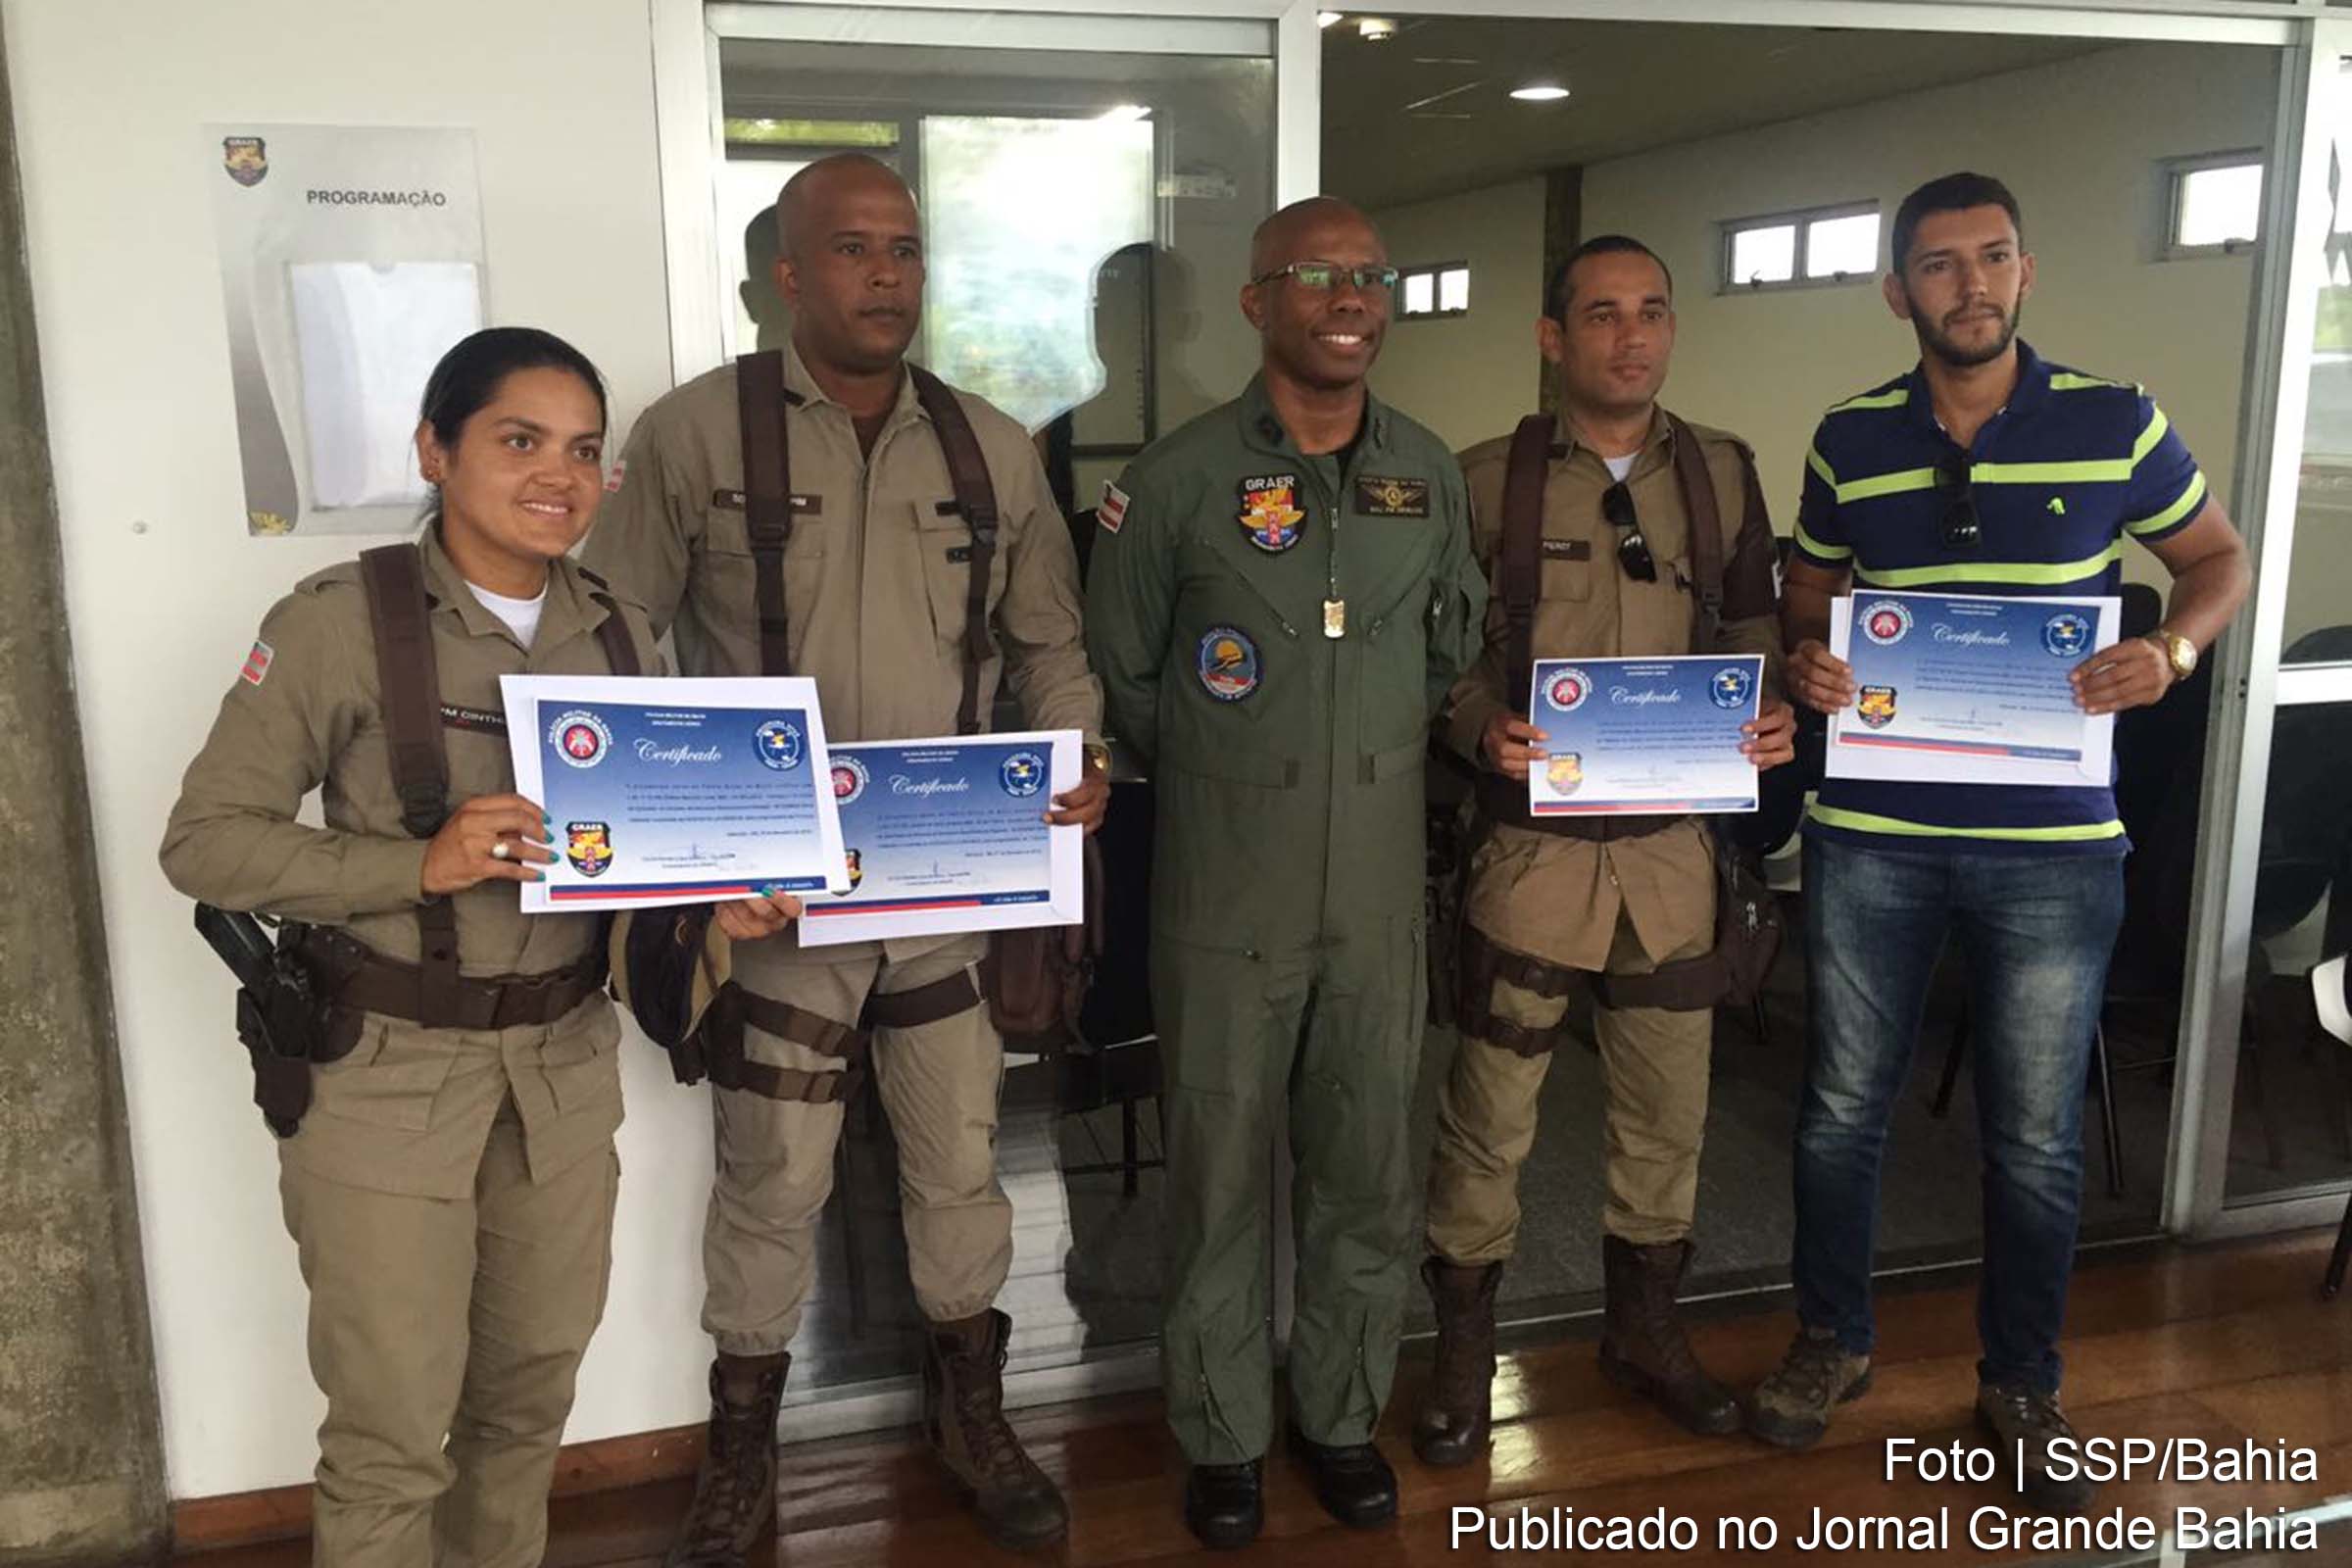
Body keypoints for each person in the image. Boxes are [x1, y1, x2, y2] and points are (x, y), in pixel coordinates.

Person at [159, 327, 789, 1567]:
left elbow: (638, 863)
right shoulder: (342, 622)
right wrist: (420, 864)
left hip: (559, 1074)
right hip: (384, 1079)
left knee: (523, 1411)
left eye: (585, 450)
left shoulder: (621, 635)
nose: (561, 473)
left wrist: (715, 905)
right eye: (520, 439)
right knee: (394, 1435)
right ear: (436, 450)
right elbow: (204, 845)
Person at [582, 153, 1105, 1562]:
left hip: (947, 890)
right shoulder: (694, 439)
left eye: (907, 251)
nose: (887, 275)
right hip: (777, 906)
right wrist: (673, 848)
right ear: (788, 274)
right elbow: (612, 647)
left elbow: (1051, 646)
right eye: (855, 249)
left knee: (959, 1167)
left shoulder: (993, 447)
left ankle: (972, 1412)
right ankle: (743, 1445)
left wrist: (1077, 763)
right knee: (772, 1179)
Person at [1758, 172, 2251, 1513]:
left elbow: (2217, 556)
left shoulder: (2114, 418)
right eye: (1937, 264)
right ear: (1897, 289)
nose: (1967, 285)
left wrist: (2170, 646)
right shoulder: (1849, 436)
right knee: (1841, 1110)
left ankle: (2022, 1380)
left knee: (2033, 1139)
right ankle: (1830, 1340)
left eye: (1991, 259)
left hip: (2055, 844)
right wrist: (1807, 660)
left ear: (2025, 273)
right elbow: (1806, 595)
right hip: (1872, 834)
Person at [1085, 196, 1485, 1549]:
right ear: (1259, 303)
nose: (1350, 296)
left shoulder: (1426, 474)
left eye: (1373, 275)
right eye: (1317, 274)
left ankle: (1337, 1415)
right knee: (1216, 1174)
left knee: (1368, 1171)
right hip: (1223, 889)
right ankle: (1218, 1435)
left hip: (1375, 894)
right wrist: (1240, 765)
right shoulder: (1178, 481)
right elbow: (1129, 677)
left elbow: (1446, 658)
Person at [1415, 235, 1797, 1464]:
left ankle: (1644, 1331)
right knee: (1490, 1120)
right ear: (1552, 337)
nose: (1630, 337)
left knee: (1666, 1114)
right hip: (1531, 860)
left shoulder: (1725, 476)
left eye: (1651, 313)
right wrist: (1483, 726)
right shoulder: (1486, 482)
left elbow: (1750, 623)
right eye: (1600, 315)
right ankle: (1465, 1358)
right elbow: (1439, 660)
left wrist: (1771, 701)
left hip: (1675, 861)